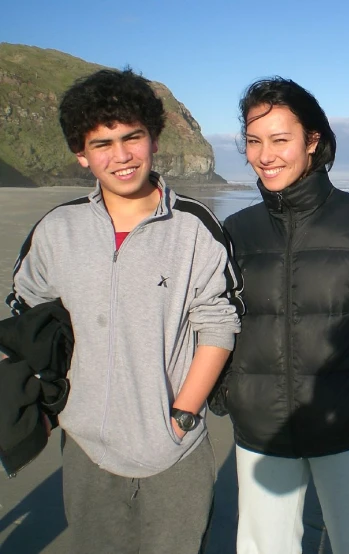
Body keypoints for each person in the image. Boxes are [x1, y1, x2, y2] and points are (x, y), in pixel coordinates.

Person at [5, 68, 244, 554]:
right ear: (81, 154)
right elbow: (29, 319)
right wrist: (49, 407)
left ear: (154, 140)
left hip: (175, 450)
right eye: (102, 144)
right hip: (87, 451)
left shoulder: (195, 227)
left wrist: (183, 413)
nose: (121, 156)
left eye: (132, 137)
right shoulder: (58, 229)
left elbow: (219, 323)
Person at [214, 77, 349, 553]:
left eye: (279, 139)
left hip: (347, 429)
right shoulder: (236, 230)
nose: (264, 155)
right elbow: (211, 321)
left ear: (313, 141)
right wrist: (231, 393)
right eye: (253, 141)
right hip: (260, 430)